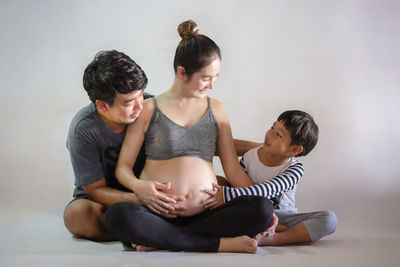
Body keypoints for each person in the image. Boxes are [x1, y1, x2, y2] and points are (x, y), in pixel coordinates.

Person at [104, 20, 274, 253]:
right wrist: (140, 187)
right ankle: (217, 244)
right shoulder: (148, 109)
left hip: (206, 214)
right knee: (117, 216)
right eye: (206, 78)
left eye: (216, 77)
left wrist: (271, 212)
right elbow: (123, 167)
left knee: (262, 209)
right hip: (158, 214)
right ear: (182, 72)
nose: (212, 85)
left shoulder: (217, 109)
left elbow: (232, 169)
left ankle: (164, 240)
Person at [63, 50, 186, 241]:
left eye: (140, 96)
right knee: (77, 215)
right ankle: (157, 230)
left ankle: (147, 231)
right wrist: (139, 197)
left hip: (153, 187)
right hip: (108, 201)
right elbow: (94, 189)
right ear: (102, 106)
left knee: (214, 185)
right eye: (129, 102)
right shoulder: (84, 129)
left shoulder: (151, 106)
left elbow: (195, 138)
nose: (139, 106)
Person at [204, 110, 338, 246]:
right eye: (272, 127)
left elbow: (265, 190)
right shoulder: (250, 156)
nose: (270, 134)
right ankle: (271, 230)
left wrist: (227, 195)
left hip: (282, 215)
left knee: (329, 219)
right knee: (216, 184)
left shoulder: (295, 169)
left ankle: (274, 238)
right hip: (254, 212)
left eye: (279, 135)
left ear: (294, 150)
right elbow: (239, 187)